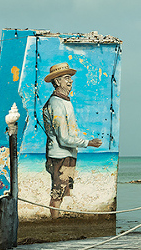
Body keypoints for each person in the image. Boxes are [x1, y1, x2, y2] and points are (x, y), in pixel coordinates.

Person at [43, 62, 102, 218]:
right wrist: (88, 143)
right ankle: (54, 223)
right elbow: (64, 138)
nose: (70, 81)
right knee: (57, 193)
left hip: (65, 155)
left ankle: (56, 221)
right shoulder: (56, 103)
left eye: (70, 78)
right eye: (66, 78)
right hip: (60, 156)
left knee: (61, 193)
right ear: (56, 81)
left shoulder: (63, 101)